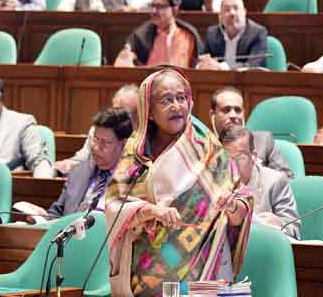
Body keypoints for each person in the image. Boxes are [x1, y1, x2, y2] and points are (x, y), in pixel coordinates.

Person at [105, 69, 252, 296]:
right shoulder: (136, 152)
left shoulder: (208, 147)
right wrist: (152, 211)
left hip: (203, 272)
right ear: (149, 111)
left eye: (181, 98)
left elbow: (242, 208)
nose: (176, 106)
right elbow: (114, 205)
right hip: (147, 276)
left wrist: (232, 206)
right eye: (166, 100)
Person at [44, 107, 133, 219]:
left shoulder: (132, 179)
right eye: (95, 139)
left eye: (105, 143)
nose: (96, 148)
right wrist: (41, 218)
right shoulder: (79, 170)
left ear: (124, 144)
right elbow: (57, 212)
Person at [220, 125, 300, 240]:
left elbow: (294, 231)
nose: (233, 166)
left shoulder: (275, 181)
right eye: (227, 159)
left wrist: (279, 225)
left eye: (240, 158)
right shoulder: (215, 182)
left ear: (254, 156)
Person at [53, 84, 139, 175]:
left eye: (123, 114)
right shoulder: (99, 131)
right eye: (114, 110)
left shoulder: (145, 137)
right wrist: (68, 164)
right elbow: (84, 158)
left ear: (139, 116)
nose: (115, 117)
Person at [210, 87, 293, 178]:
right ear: (213, 115)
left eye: (238, 110)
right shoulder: (205, 145)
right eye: (226, 110)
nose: (233, 115)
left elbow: (287, 177)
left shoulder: (263, 141)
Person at [114, 0, 204, 68]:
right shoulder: (141, 35)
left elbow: (180, 67)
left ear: (174, 10)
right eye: (153, 6)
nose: (154, 11)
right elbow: (123, 62)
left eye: (160, 7)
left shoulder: (186, 35)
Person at [196, 0, 268, 70]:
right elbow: (203, 60)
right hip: (217, 80)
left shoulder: (257, 33)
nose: (232, 13)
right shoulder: (212, 33)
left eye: (236, 8)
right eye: (227, 10)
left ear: (244, 12)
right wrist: (203, 64)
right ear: (220, 16)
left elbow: (254, 66)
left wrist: (221, 67)